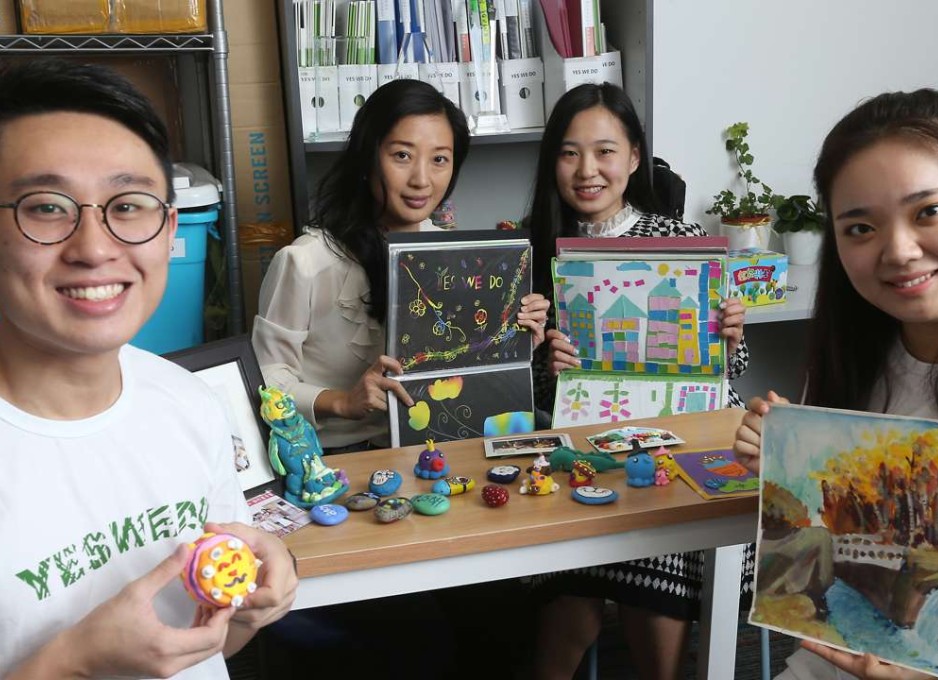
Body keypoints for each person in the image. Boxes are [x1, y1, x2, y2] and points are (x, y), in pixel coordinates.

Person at [0, 58, 297, 679]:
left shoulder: (189, 403)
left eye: (129, 205)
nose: (95, 247)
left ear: (169, 231)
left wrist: (244, 610)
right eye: (47, 207)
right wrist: (71, 663)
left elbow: (202, 651)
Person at [734, 88, 938, 680]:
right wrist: (785, 474)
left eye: (929, 211)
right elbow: (838, 563)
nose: (898, 250)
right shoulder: (855, 362)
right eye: (860, 227)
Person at [526, 82, 753, 680]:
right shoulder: (532, 252)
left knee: (662, 547)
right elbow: (532, 406)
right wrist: (544, 363)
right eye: (569, 153)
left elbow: (728, 375)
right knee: (571, 579)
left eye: (605, 151)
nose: (587, 170)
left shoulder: (681, 245)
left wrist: (729, 335)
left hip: (680, 447)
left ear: (633, 158)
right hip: (584, 445)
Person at [252, 78, 550, 451]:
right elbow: (265, 380)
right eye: (402, 156)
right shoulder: (305, 263)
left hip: (428, 450)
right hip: (333, 460)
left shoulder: (454, 256)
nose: (421, 180)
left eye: (439, 159)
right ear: (368, 156)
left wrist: (515, 339)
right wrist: (342, 400)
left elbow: (457, 367)